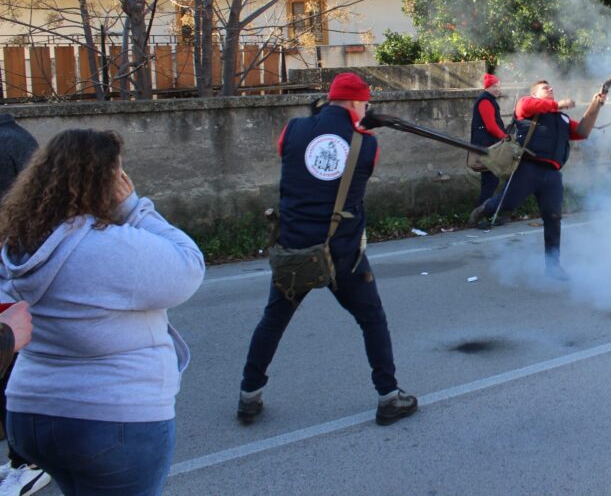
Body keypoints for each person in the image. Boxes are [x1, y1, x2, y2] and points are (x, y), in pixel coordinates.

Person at [0, 129, 205, 496]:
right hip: (111, 421)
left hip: (30, 411)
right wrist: (134, 208)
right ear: (106, 184)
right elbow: (189, 266)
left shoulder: (18, 244)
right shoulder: (109, 247)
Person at [237, 73, 418, 427]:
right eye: (365, 104)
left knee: (273, 321)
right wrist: (361, 126)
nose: (367, 109)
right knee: (372, 320)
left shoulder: (292, 129)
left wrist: (328, 120)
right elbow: (363, 164)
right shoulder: (367, 144)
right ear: (355, 103)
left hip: (294, 248)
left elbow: (293, 151)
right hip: (342, 253)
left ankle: (249, 395)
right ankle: (388, 397)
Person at [470, 80, 606, 280]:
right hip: (528, 167)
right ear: (534, 94)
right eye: (545, 88)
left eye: (551, 87)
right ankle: (485, 208)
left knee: (553, 218)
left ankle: (553, 266)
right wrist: (559, 104)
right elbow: (526, 106)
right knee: (506, 204)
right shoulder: (526, 105)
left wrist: (596, 104)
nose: (550, 89)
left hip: (552, 174)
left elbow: (582, 131)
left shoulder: (562, 118)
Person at [0, 116, 48, 496]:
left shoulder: (5, 144)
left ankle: (28, 462)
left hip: (10, 272)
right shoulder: (15, 136)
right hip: (16, 268)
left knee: (12, 371)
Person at [470, 73, 507, 208]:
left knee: (489, 181)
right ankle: (481, 212)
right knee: (491, 181)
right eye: (494, 86)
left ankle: (483, 211)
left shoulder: (487, 99)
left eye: (499, 86)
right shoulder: (485, 101)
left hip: (486, 146)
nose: (498, 89)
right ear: (487, 87)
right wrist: (505, 137)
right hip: (487, 147)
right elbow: (491, 126)